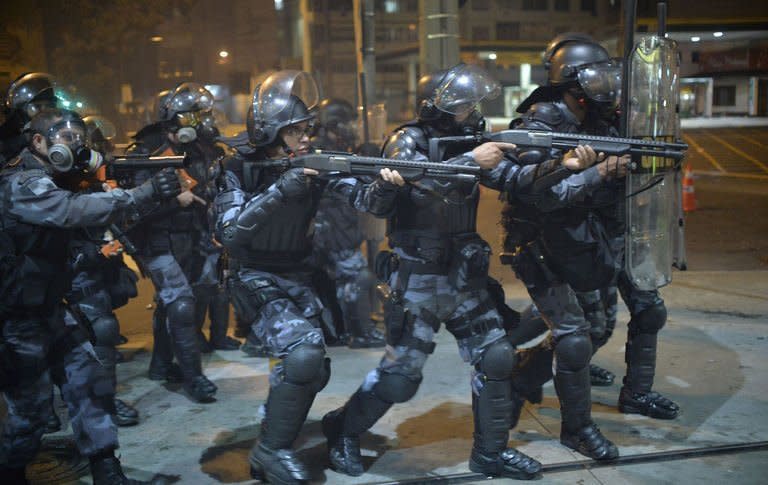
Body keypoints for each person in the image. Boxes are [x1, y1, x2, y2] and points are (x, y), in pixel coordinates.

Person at [320, 63, 595, 481]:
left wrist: (566, 165)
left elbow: (515, 180)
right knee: (400, 378)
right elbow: (416, 185)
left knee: (497, 357)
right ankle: (342, 428)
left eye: (473, 105)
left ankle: (490, 454)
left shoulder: (472, 141)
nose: (472, 113)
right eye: (464, 106)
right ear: (438, 108)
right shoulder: (407, 140)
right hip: (418, 280)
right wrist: (471, 159)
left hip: (463, 277)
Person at [215, 70, 390, 484]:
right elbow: (230, 233)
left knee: (314, 368)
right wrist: (282, 189)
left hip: (299, 274)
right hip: (253, 275)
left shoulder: (312, 163)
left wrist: (385, 187)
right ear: (272, 134)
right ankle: (271, 450)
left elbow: (364, 198)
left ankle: (274, 435)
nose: (307, 138)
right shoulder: (237, 167)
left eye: (308, 129)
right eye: (296, 132)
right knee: (303, 355)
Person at [0, 108, 180, 484]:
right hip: (15, 319)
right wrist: (138, 194)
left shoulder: (60, 180)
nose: (75, 144)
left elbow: (99, 218)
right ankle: (10, 470)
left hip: (51, 309)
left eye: (77, 137)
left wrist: (141, 196)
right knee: (29, 416)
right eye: (64, 137)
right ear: (37, 142)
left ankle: (107, 470)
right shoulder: (21, 183)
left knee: (89, 384)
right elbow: (68, 212)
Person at [499, 33, 633, 461]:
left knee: (598, 329)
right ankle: (577, 430)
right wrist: (599, 173)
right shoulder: (539, 124)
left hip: (584, 244)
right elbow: (542, 196)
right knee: (574, 338)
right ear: (573, 88)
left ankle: (523, 375)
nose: (606, 89)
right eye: (595, 81)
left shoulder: (600, 121)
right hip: (540, 247)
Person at [125, 82, 221, 402]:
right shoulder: (144, 154)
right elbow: (131, 210)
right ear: (173, 121)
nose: (200, 123)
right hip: (158, 243)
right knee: (180, 303)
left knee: (176, 303)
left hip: (190, 239)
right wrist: (173, 201)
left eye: (202, 116)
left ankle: (161, 364)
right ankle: (194, 378)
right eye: (193, 118)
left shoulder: (199, 150)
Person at [61, 114, 141, 427]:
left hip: (83, 266)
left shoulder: (83, 175)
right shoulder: (29, 178)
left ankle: (104, 401)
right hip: (39, 275)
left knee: (103, 329)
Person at [311, 98, 385, 349]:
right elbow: (348, 178)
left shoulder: (336, 146)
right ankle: (360, 333)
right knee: (357, 276)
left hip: (336, 227)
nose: (353, 127)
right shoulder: (321, 151)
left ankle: (347, 330)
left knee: (345, 280)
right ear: (335, 124)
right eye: (348, 123)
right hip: (330, 229)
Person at [1, 72, 58, 164]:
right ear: (19, 111)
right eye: (37, 107)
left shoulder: (59, 135)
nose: (45, 112)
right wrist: (23, 140)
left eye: (49, 106)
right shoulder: (6, 139)